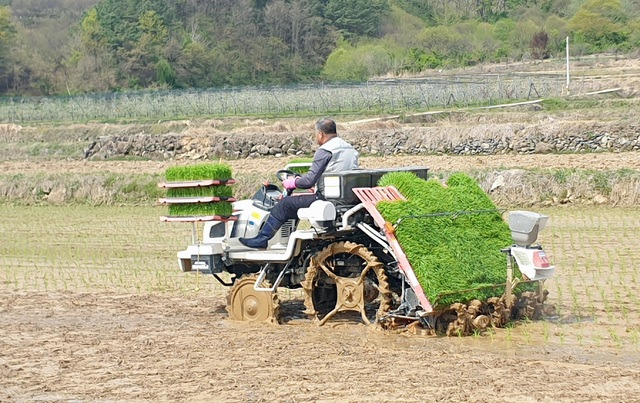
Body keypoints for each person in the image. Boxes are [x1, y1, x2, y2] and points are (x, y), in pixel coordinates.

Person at [239, 117, 359, 249]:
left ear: (320, 134)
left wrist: (292, 183)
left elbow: (308, 181)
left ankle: (261, 240)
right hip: (344, 198)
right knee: (296, 201)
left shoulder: (325, 150)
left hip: (326, 199)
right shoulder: (349, 149)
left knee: (284, 204)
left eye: (316, 135)